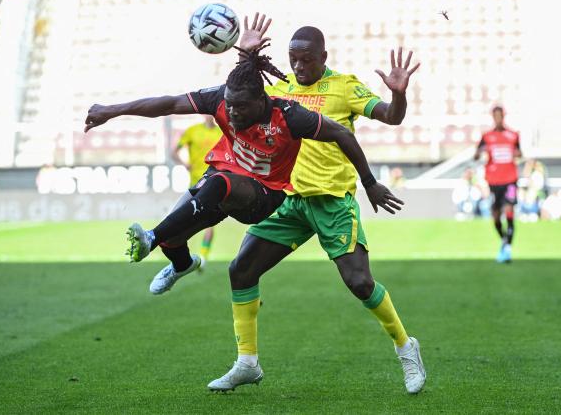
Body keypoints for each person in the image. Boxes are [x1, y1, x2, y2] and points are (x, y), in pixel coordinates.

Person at [198, 15, 425, 394]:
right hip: (288, 200)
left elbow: (391, 116)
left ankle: (406, 347)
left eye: (307, 60)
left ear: (324, 57)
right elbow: (238, 96)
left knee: (359, 282)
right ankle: (246, 363)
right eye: (293, 60)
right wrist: (245, 55)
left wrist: (398, 94)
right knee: (241, 270)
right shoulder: (280, 88)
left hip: (332, 202)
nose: (299, 67)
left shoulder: (344, 87)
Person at [84, 45, 402, 297]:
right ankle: (181, 263)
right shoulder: (230, 97)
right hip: (229, 177)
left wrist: (370, 181)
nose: (233, 113)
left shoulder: (293, 112)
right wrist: (112, 111)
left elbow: (352, 130)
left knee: (213, 187)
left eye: (240, 107)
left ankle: (150, 238)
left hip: (268, 193)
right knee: (177, 235)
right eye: (229, 106)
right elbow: (171, 103)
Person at [172, 115, 222, 267]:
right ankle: (181, 255)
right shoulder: (192, 131)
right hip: (196, 181)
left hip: (214, 181)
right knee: (181, 216)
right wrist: (185, 164)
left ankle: (203, 256)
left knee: (209, 222)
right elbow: (174, 152)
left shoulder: (221, 132)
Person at [474, 106, 522, 263]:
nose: (498, 119)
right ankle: (504, 241)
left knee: (509, 210)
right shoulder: (487, 136)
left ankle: (507, 248)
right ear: (493, 117)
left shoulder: (513, 135)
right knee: (495, 216)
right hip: (494, 181)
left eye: (500, 116)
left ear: (503, 116)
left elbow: (519, 153)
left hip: (510, 180)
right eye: (495, 116)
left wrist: (517, 154)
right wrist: (480, 152)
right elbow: (476, 155)